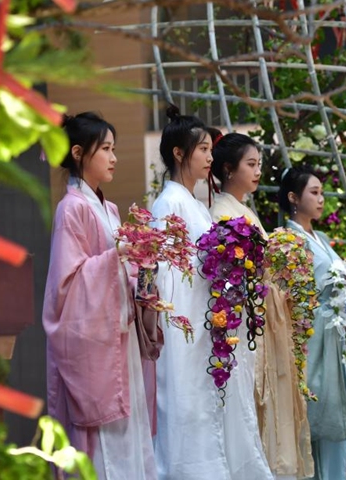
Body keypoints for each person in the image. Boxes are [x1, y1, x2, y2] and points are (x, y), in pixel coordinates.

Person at [152, 108, 273, 480]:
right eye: (202, 149)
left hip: (209, 324)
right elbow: (167, 278)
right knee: (189, 409)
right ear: (178, 153)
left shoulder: (195, 205)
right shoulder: (168, 204)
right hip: (185, 329)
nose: (209, 158)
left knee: (211, 409)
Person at [42, 112, 159, 480]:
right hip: (96, 345)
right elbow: (68, 286)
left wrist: (142, 267)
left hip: (118, 339)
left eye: (113, 149)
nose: (113, 158)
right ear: (78, 152)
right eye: (105, 149)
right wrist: (120, 256)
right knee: (107, 442)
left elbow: (116, 266)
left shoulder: (107, 209)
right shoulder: (71, 209)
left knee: (130, 436)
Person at [208, 133, 313, 480]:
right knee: (260, 401)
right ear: (228, 168)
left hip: (266, 316)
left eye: (259, 164)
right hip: (251, 323)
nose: (257, 172)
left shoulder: (244, 210)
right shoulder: (221, 212)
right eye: (250, 164)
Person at [279, 164, 346, 480]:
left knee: (339, 412)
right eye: (314, 192)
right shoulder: (287, 239)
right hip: (312, 335)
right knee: (314, 412)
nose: (321, 199)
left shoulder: (320, 236)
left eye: (322, 192)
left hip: (337, 333)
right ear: (294, 197)